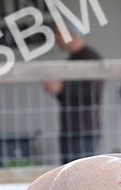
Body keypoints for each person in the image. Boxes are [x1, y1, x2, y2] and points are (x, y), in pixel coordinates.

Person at [43, 31, 103, 164]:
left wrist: (62, 88)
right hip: (69, 129)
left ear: (70, 33)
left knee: (82, 176)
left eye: (58, 34)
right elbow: (67, 99)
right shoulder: (73, 58)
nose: (56, 39)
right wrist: (57, 91)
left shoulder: (90, 58)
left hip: (85, 130)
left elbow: (92, 93)